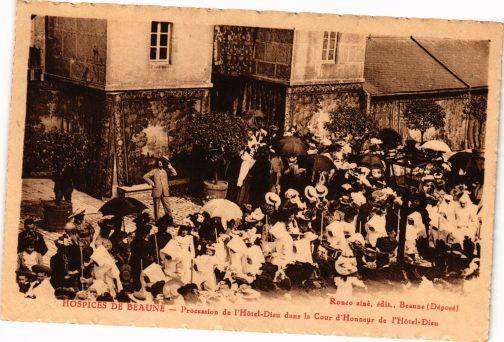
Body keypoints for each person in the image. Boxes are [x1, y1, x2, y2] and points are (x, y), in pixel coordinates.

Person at [143, 156, 177, 222]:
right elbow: (145, 176)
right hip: (156, 191)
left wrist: (171, 167)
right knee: (156, 207)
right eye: (159, 162)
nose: (160, 163)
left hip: (165, 191)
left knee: (167, 207)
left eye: (161, 162)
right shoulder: (154, 171)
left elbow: (175, 174)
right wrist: (152, 183)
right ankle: (157, 220)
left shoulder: (166, 171)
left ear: (164, 163)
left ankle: (170, 220)